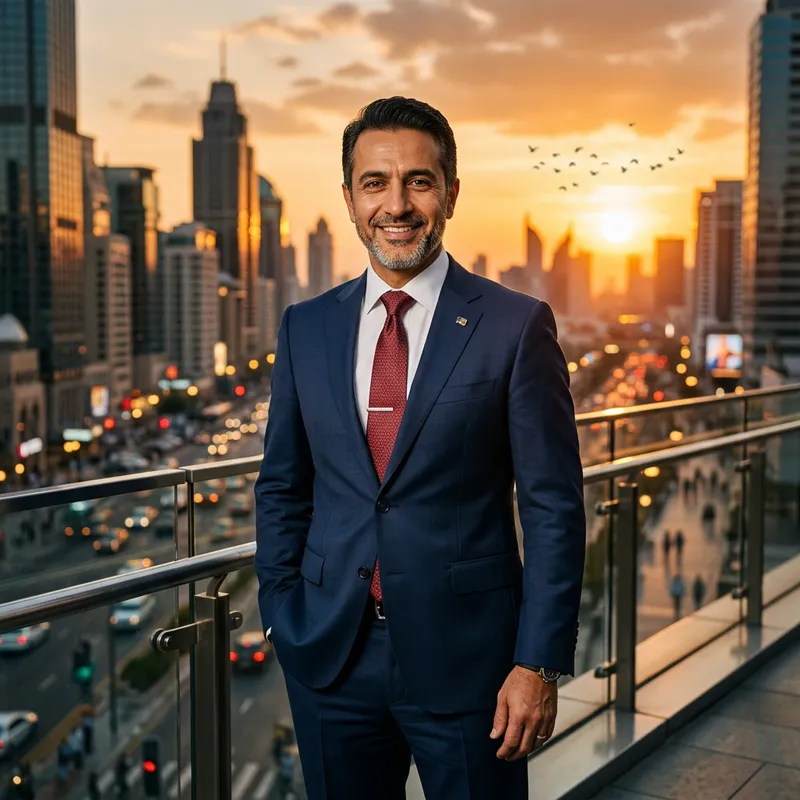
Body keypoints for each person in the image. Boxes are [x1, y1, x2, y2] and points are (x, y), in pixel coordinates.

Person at [255, 96, 586, 800]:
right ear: (349, 198)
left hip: (476, 669)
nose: (396, 204)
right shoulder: (305, 326)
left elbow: (554, 506)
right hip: (331, 660)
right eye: (375, 182)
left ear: (452, 193)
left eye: (420, 181)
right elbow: (283, 486)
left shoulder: (516, 326)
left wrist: (539, 663)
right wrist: (282, 611)